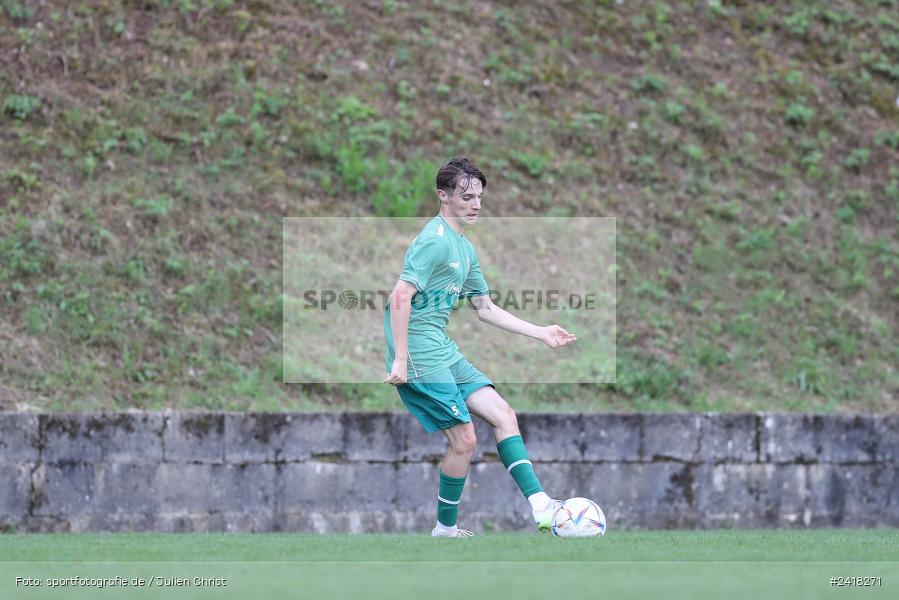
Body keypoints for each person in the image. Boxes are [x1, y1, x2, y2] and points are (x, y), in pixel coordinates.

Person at [383, 156, 577, 538]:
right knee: (465, 439)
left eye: (480, 198)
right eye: (467, 197)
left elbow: (485, 308)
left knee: (504, 414)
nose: (475, 204)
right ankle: (445, 529)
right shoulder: (434, 241)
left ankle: (540, 505)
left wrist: (540, 332)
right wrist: (401, 358)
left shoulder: (464, 249)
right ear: (444, 197)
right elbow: (399, 296)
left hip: (442, 347)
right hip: (421, 353)